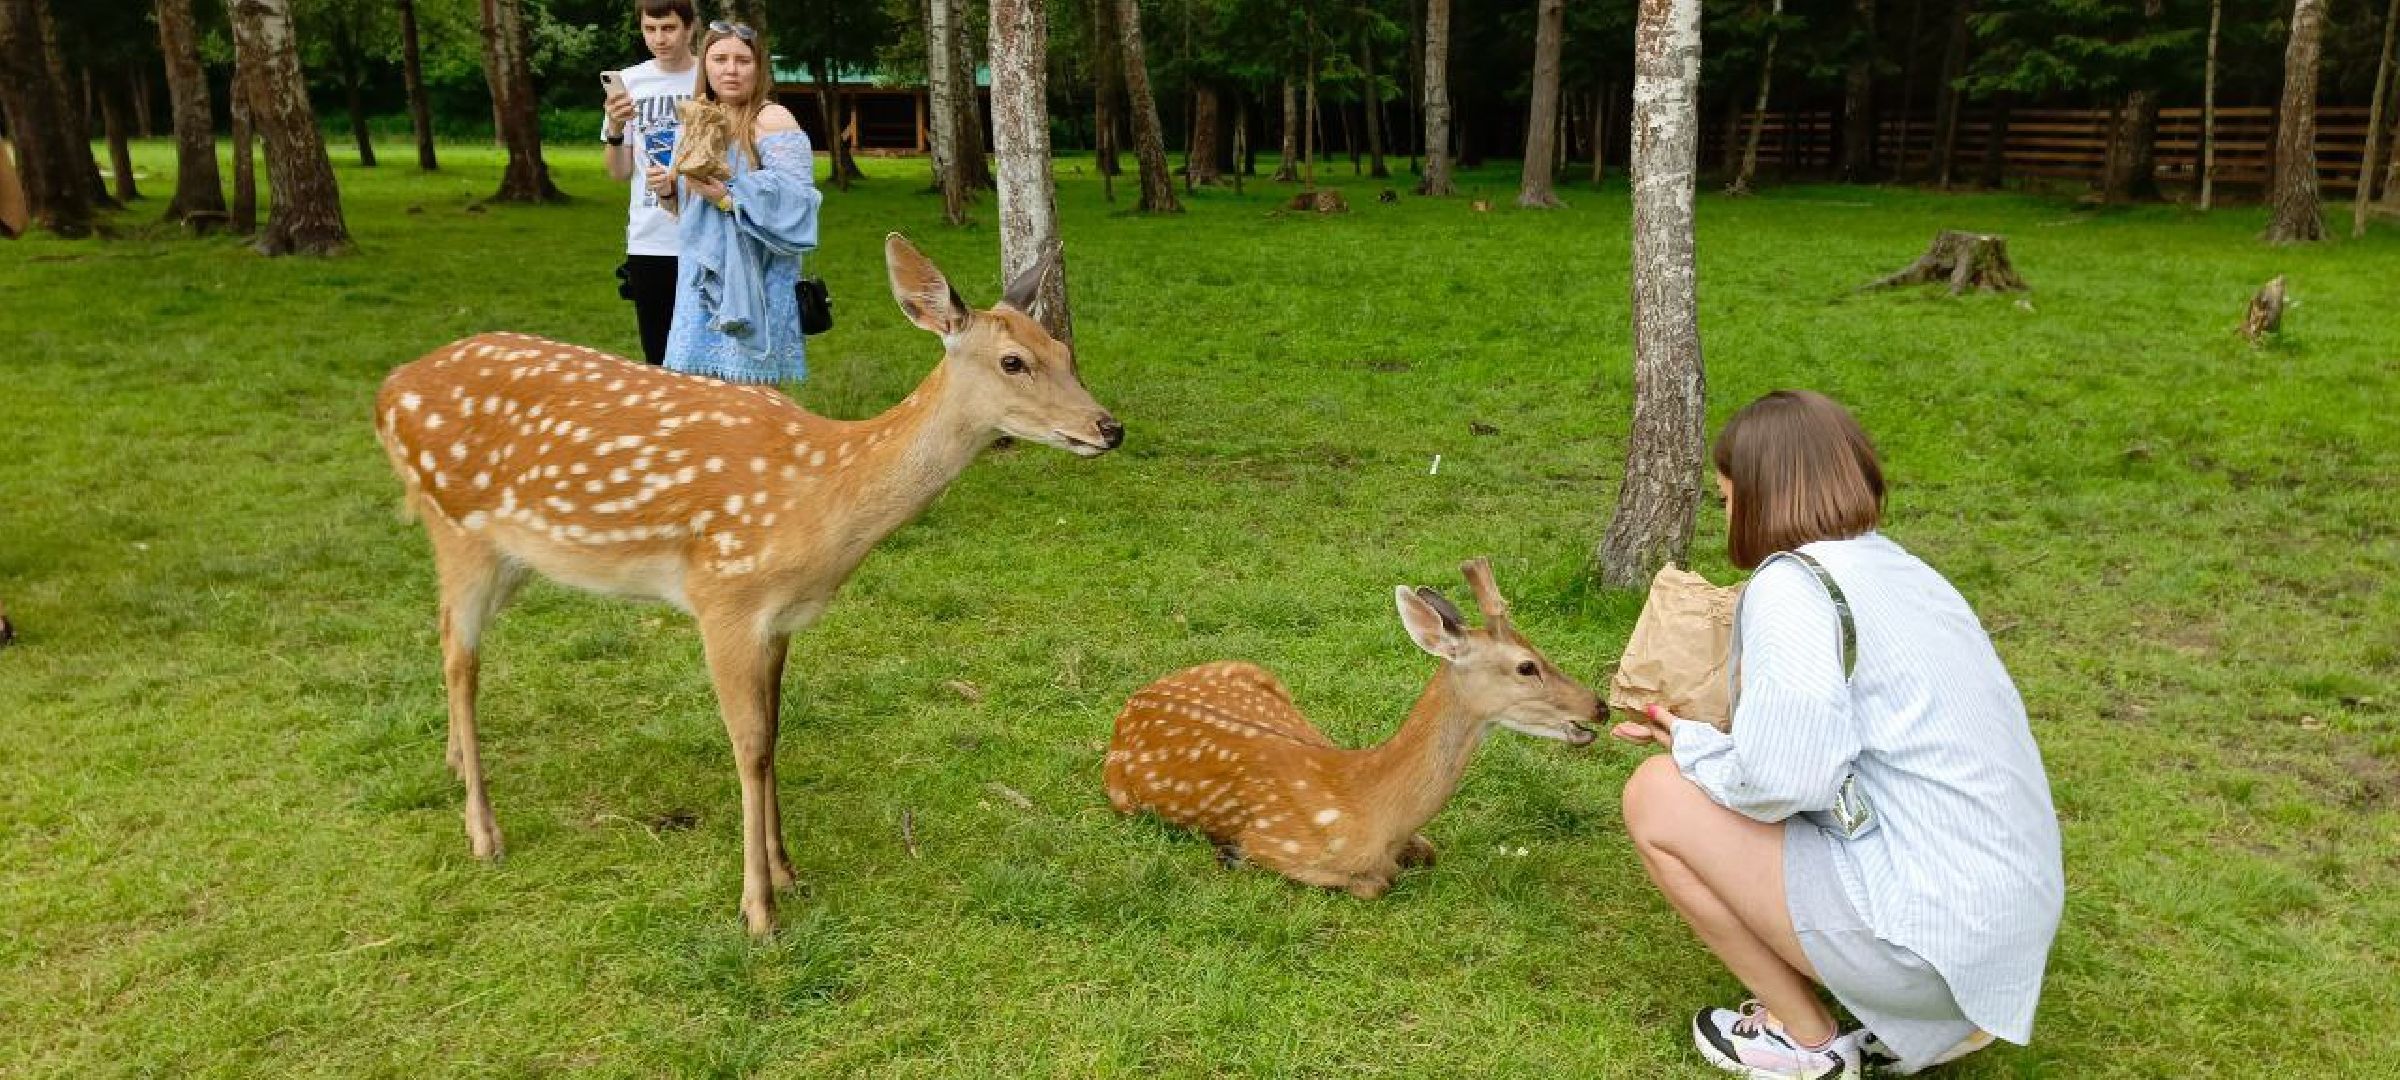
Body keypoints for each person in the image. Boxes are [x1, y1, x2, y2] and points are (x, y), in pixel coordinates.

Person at [1613, 390, 2063, 1079]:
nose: (1726, 514)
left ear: (1759, 494)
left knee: (1656, 796)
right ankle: (1943, 1021)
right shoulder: (1911, 573)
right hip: (2007, 932)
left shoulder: (1792, 585)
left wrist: (1694, 749)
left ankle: (1807, 1043)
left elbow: (1787, 781)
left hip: (1932, 944)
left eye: (1726, 498)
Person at [645, 20, 821, 385]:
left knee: (752, 399)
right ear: (705, 66)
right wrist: (667, 191)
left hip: (757, 278)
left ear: (759, 67)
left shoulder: (772, 119)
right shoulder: (697, 118)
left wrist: (727, 196)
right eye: (720, 59)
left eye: (742, 60)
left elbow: (798, 203)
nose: (730, 69)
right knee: (699, 395)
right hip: (701, 279)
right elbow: (687, 212)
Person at [602, 0, 699, 365]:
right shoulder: (630, 82)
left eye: (669, 28)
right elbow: (619, 172)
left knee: (709, 360)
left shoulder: (710, 77)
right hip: (650, 239)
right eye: (650, 29)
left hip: (705, 232)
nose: (659, 38)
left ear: (690, 28)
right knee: (658, 359)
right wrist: (615, 127)